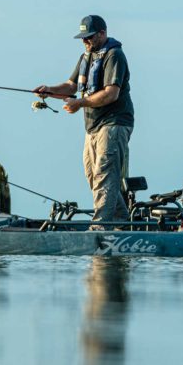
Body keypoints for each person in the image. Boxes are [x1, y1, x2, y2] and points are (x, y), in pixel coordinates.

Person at [34, 15, 135, 225]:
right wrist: (49, 90)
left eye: (89, 37)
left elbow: (111, 94)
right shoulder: (85, 57)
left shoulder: (114, 55)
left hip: (114, 123)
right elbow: (71, 87)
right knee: (93, 174)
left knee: (104, 175)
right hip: (92, 126)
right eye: (83, 38)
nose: (85, 41)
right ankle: (120, 221)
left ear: (102, 33)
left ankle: (100, 227)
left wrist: (79, 103)